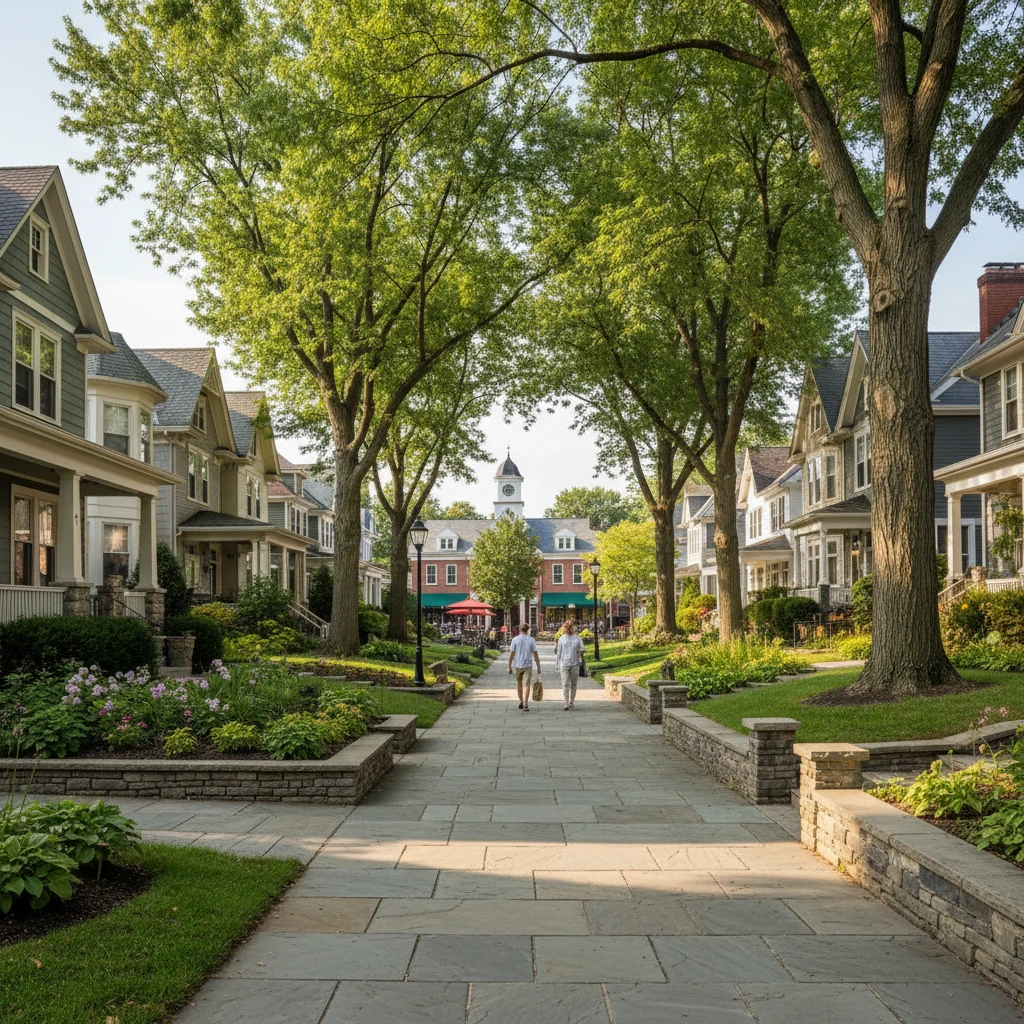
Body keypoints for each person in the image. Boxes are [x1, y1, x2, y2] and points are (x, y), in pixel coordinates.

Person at [507, 622, 540, 712]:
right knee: (527, 684)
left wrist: (509, 666)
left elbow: (512, 654)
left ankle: (521, 701)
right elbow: (535, 654)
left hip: (518, 665)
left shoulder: (515, 640)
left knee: (519, 684)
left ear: (520, 630)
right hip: (528, 665)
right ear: (528, 630)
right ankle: (526, 703)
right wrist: (538, 666)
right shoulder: (531, 640)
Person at [555, 619, 585, 711]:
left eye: (571, 627)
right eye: (568, 627)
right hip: (564, 664)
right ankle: (566, 702)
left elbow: (582, 648)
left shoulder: (577, 638)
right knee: (565, 684)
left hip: (575, 663)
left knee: (574, 684)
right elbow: (559, 652)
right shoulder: (562, 639)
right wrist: (557, 664)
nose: (569, 628)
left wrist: (581, 651)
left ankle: (571, 701)